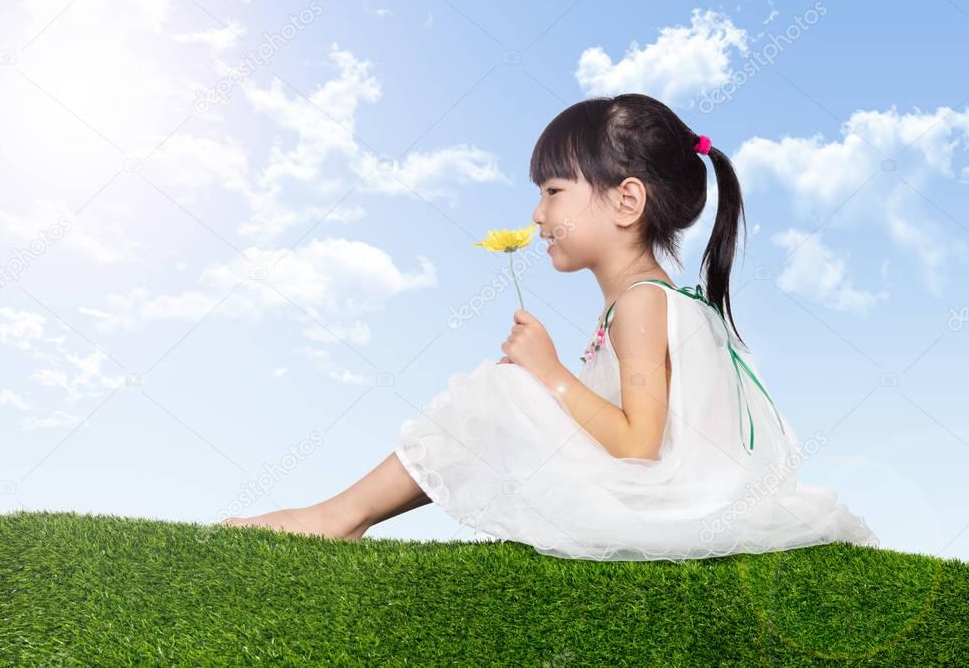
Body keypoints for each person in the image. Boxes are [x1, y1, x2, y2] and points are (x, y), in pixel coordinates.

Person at [222, 93, 880, 562]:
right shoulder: (651, 300)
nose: (536, 215)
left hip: (660, 509)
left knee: (497, 392)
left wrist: (548, 374)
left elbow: (637, 446)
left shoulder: (643, 304)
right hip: (669, 497)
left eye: (553, 191)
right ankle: (341, 516)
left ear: (626, 200)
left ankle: (337, 517)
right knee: (511, 395)